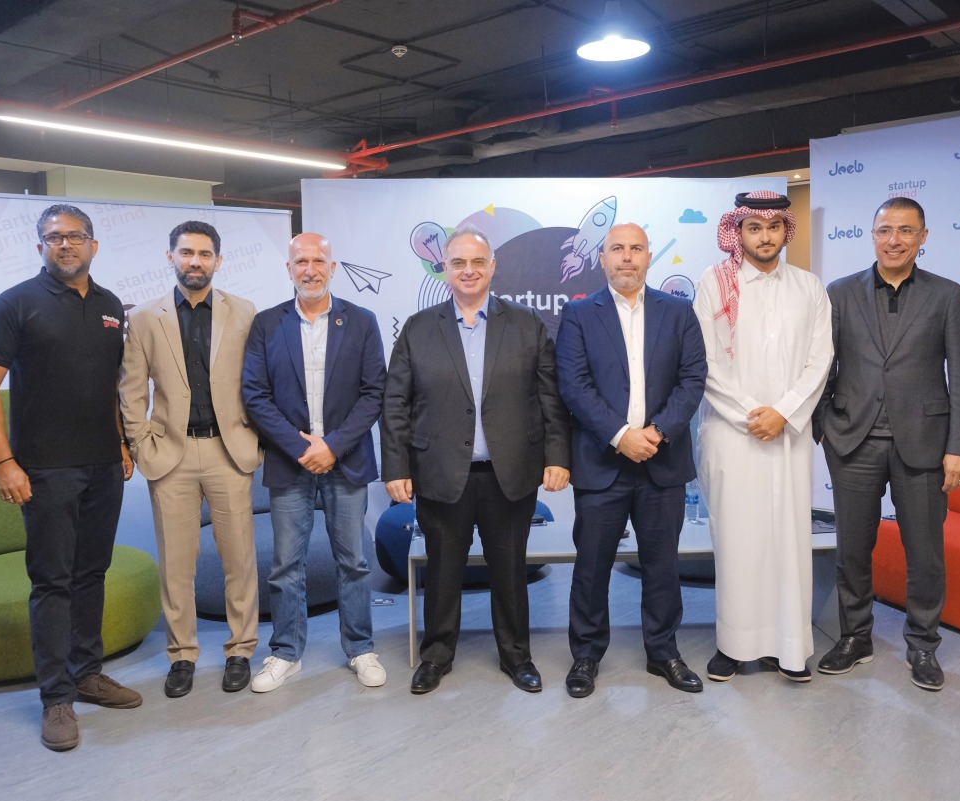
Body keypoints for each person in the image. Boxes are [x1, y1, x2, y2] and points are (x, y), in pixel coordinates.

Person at [0, 203, 141, 752]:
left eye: (74, 236)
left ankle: (87, 674)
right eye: (53, 238)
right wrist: (5, 461)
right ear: (40, 246)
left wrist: (120, 443)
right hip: (44, 469)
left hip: (102, 466)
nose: (64, 245)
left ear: (93, 244)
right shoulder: (15, 304)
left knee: (92, 572)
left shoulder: (113, 306)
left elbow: (108, 386)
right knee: (52, 581)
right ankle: (56, 697)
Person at [381, 224, 570, 695]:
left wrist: (557, 456)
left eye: (478, 262)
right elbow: (395, 405)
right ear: (444, 268)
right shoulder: (419, 328)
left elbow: (550, 398)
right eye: (459, 262)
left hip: (511, 473)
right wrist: (397, 467)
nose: (469, 270)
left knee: (510, 570)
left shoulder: (526, 324)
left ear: (492, 268)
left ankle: (516, 656)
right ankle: (436, 656)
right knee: (442, 571)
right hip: (440, 473)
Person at [813, 197, 960, 691]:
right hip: (853, 443)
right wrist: (826, 428)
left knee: (924, 552)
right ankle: (855, 638)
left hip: (925, 444)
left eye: (906, 231)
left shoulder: (947, 295)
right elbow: (822, 367)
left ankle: (923, 646)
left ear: (923, 237)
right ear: (872, 234)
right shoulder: (840, 293)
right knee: (853, 550)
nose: (895, 239)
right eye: (885, 230)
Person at [555, 222, 707, 698]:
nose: (626, 257)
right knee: (592, 566)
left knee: (662, 564)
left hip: (662, 462)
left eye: (635, 248)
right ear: (601, 258)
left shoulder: (680, 312)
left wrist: (656, 433)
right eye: (616, 249)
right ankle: (585, 656)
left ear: (648, 256)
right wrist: (621, 435)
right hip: (602, 463)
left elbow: (693, 378)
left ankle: (663, 652)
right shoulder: (579, 315)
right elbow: (573, 385)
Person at [119, 220, 262, 699]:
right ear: (171, 257)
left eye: (204, 254)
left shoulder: (244, 313)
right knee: (177, 564)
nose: (195, 261)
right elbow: (131, 390)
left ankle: (241, 649)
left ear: (218, 260)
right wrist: (141, 445)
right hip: (171, 455)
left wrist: (255, 439)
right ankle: (182, 655)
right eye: (186, 253)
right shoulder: (143, 318)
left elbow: (259, 385)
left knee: (238, 559)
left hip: (228, 450)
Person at [694, 191, 833, 683]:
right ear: (739, 231)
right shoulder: (715, 283)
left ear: (784, 231)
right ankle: (734, 645)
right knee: (737, 540)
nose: (765, 237)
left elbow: (820, 361)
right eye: (754, 227)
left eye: (774, 227)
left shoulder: (809, 286)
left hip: (789, 436)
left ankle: (788, 647)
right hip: (733, 435)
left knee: (787, 540)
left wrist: (785, 414)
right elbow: (705, 362)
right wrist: (752, 416)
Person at [241, 232, 387, 691]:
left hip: (346, 461)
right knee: (286, 564)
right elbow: (255, 395)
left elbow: (373, 393)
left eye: (318, 260)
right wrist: (302, 447)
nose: (310, 268)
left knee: (354, 563)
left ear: (332, 266)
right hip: (290, 463)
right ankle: (286, 653)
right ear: (289, 269)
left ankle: (361, 648)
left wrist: (333, 445)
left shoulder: (361, 321)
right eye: (300, 261)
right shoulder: (266, 324)